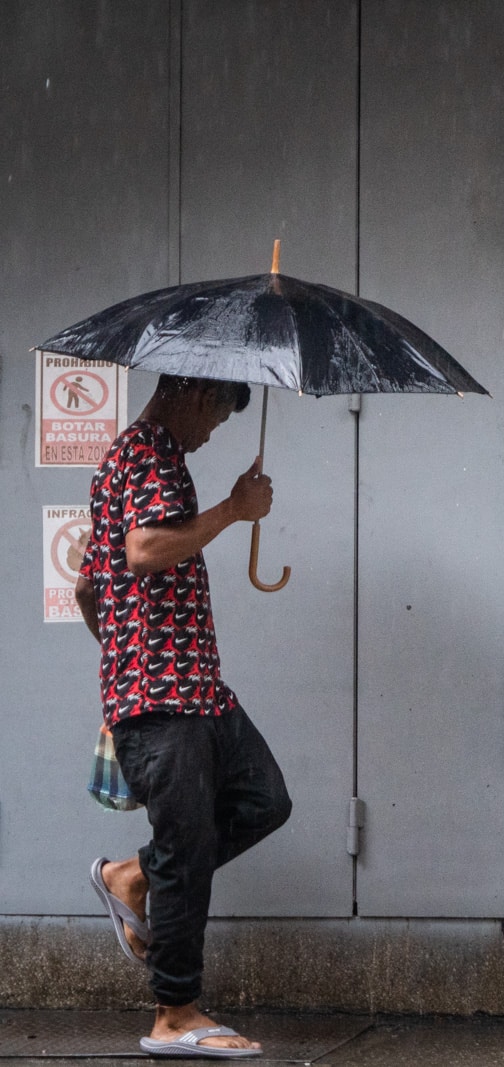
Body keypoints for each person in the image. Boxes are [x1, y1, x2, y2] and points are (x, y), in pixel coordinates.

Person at [76, 375, 292, 1059]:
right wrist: (234, 507)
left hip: (195, 690)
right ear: (193, 391)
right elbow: (141, 552)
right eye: (218, 417)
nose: (211, 433)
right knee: (186, 842)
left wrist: (121, 657)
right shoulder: (148, 453)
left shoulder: (136, 458)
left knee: (264, 798)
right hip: (167, 701)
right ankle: (174, 1013)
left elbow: (91, 582)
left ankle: (132, 876)